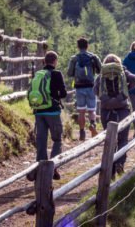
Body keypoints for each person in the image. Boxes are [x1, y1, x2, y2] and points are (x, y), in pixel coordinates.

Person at [94, 54, 135, 178]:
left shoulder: (102, 73)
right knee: (123, 139)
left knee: (110, 141)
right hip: (122, 108)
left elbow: (95, 89)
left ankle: (111, 170)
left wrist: (105, 99)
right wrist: (125, 91)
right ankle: (120, 163)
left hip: (106, 110)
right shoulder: (122, 71)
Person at [27, 51, 66, 181]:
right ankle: (53, 166)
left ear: (44, 61)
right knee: (57, 139)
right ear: (55, 61)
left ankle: (40, 167)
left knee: (41, 141)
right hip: (53, 112)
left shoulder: (38, 74)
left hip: (38, 111)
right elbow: (63, 93)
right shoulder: (56, 74)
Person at [67, 37, 102, 141]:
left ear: (78, 46)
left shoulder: (74, 58)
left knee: (81, 111)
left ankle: (82, 132)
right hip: (91, 86)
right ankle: (92, 125)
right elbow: (100, 70)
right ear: (87, 46)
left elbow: (69, 73)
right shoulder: (93, 57)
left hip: (79, 87)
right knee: (92, 110)